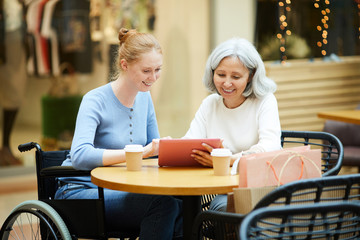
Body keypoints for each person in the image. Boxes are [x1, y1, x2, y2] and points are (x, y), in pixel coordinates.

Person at [55, 28, 183, 240]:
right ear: (124, 65)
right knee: (163, 204)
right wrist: (139, 153)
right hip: (81, 191)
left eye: (158, 69)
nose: (153, 78)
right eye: (146, 71)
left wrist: (175, 151)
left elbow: (154, 151)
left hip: (120, 189)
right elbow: (79, 155)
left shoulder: (145, 98)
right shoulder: (94, 100)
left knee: (183, 205)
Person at [184, 37, 282, 211]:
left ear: (250, 76)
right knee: (174, 205)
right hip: (223, 188)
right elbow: (189, 144)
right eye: (221, 75)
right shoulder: (210, 103)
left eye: (236, 76)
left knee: (223, 208)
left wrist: (226, 160)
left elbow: (270, 148)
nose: (226, 83)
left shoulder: (265, 101)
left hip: (260, 188)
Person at [0, 0, 26, 166]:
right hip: (7, 45)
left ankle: (5, 147)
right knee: (12, 94)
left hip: (15, 44)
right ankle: (5, 147)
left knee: (15, 94)